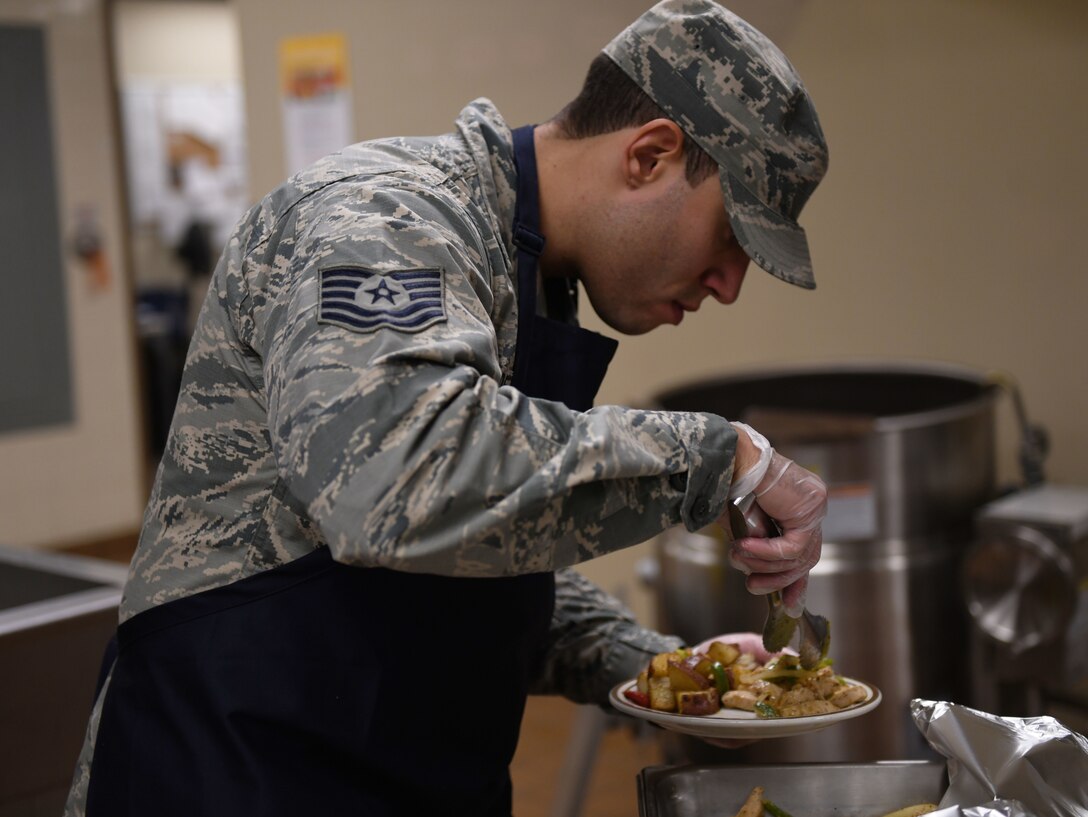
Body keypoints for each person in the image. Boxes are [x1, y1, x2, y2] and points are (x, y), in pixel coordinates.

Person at [66, 1, 829, 815]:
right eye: (731, 240)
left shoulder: (532, 278)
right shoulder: (382, 219)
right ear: (648, 155)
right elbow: (394, 483)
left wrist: (655, 667)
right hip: (231, 766)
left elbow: (466, 565)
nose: (729, 285)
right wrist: (720, 459)